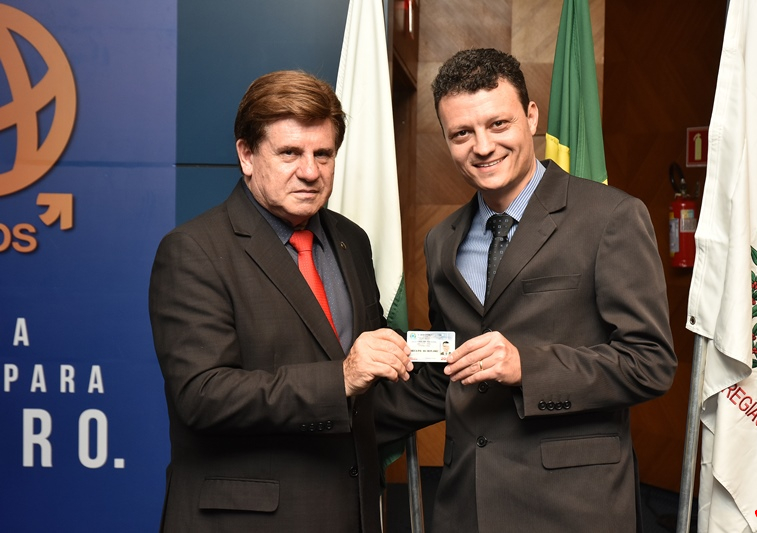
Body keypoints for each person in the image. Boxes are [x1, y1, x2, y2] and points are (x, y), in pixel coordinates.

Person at [375, 48, 677, 532]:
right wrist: (335, 406)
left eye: (498, 124)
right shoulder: (441, 242)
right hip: (465, 503)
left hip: (573, 508)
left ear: (531, 116)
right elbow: (447, 372)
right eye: (461, 133)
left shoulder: (611, 217)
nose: (482, 146)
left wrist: (526, 367)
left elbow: (650, 363)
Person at [148, 70, 413, 533]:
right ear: (246, 155)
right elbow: (202, 395)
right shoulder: (194, 250)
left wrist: (466, 374)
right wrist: (340, 378)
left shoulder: (351, 241)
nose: (310, 171)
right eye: (290, 153)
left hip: (351, 514)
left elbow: (370, 391)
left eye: (323, 154)